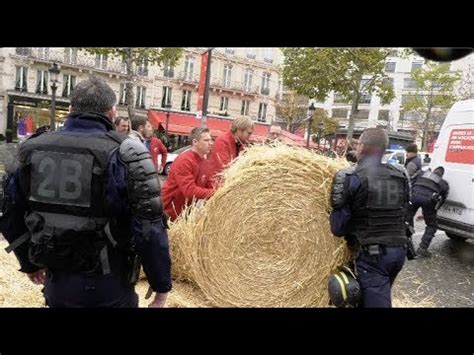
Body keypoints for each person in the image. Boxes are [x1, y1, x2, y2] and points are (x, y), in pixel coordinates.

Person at [0, 76, 171, 308]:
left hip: (57, 280)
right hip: (109, 283)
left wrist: (29, 262)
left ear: (70, 109)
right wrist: (160, 283)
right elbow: (149, 227)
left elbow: (10, 213)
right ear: (111, 113)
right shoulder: (126, 154)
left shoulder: (29, 149)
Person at [330, 128, 409, 308]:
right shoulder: (400, 175)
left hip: (373, 256)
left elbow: (338, 228)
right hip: (399, 252)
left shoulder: (351, 176)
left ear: (362, 146)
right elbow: (404, 213)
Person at [161, 128, 215, 221]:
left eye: (211, 140)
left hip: (184, 213)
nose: (211, 143)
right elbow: (189, 191)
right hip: (168, 211)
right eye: (206, 140)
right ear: (195, 142)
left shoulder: (205, 163)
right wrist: (214, 193)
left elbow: (210, 185)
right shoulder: (185, 160)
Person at [407, 167, 449, 257]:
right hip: (429, 200)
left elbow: (410, 182)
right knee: (432, 225)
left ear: (433, 171)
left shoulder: (422, 173)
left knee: (408, 219)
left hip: (413, 196)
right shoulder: (443, 183)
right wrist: (434, 211)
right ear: (441, 175)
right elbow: (443, 199)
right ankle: (422, 248)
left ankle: (407, 242)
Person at [207, 116, 254, 181]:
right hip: (216, 184)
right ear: (239, 130)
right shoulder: (222, 141)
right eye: (248, 133)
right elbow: (224, 167)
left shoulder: (241, 144)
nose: (250, 137)